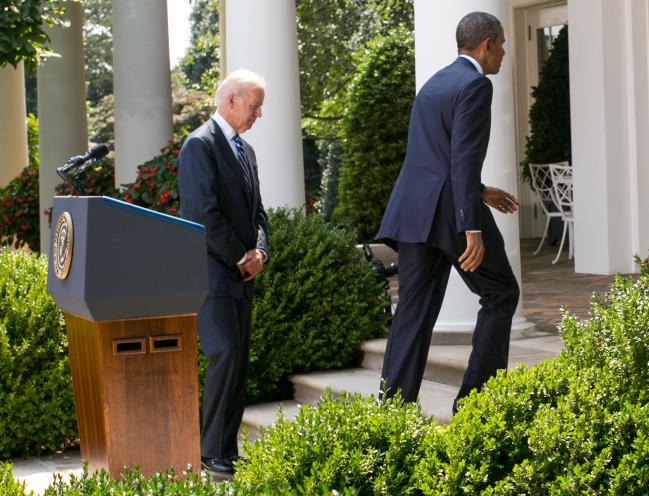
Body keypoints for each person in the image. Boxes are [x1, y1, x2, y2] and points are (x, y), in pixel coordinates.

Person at [376, 12, 520, 415]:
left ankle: (391, 418)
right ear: (487, 43)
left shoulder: (433, 84)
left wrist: (480, 192)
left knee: (412, 316)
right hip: (451, 217)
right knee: (502, 292)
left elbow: (432, 159)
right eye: (503, 44)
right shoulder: (475, 85)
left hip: (415, 216)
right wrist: (470, 224)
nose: (505, 53)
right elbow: (462, 157)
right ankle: (475, 406)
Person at [178, 69, 268, 475]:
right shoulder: (199, 145)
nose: (259, 113)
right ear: (230, 100)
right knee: (224, 354)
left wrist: (260, 251)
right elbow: (202, 214)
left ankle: (227, 451)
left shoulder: (246, 152)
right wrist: (239, 257)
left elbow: (259, 214)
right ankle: (209, 449)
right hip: (212, 275)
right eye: (254, 105)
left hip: (241, 277)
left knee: (239, 362)